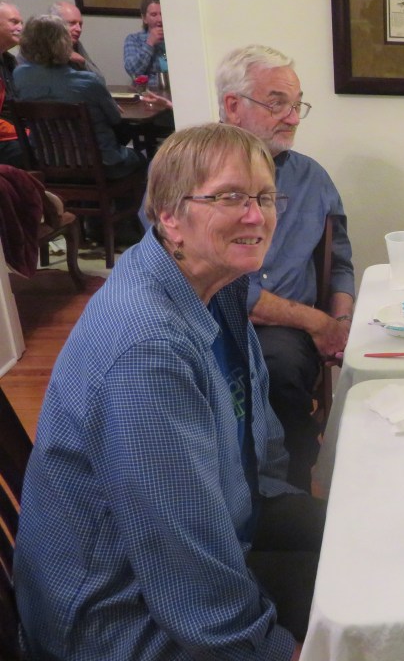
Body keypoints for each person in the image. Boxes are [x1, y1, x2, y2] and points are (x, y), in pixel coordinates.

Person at [15, 123, 324, 661]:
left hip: (218, 534)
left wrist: (291, 511)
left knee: (365, 546)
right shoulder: (148, 350)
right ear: (169, 216)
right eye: (230, 197)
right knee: (370, 612)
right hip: (118, 613)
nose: (257, 216)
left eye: (265, 197)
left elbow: (257, 447)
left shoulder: (217, 284)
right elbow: (182, 562)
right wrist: (277, 652)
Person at [217, 44, 355, 491]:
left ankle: (291, 487)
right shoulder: (193, 177)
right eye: (277, 104)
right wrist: (316, 321)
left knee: (279, 363)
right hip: (214, 320)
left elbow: (340, 263)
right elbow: (220, 287)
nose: (293, 118)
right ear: (232, 106)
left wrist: (340, 323)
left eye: (297, 105)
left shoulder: (312, 179)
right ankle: (245, 489)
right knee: (252, 366)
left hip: (288, 334)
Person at [14, 14, 142, 178]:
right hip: (100, 165)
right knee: (141, 159)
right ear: (64, 42)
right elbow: (115, 120)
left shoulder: (20, 76)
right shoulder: (88, 82)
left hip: (46, 163)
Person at [49, 0, 105, 82]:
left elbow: (100, 80)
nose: (79, 29)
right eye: (72, 23)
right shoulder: (40, 45)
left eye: (80, 24)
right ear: (54, 24)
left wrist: (81, 61)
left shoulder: (76, 44)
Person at [0, 0, 25, 167]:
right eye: (14, 22)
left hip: (16, 134)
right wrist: (26, 133)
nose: (20, 28)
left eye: (21, 23)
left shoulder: (10, 61)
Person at [123, 0, 165, 79]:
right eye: (154, 14)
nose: (160, 19)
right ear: (144, 18)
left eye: (162, 14)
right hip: (149, 87)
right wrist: (150, 43)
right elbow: (133, 71)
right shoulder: (134, 39)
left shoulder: (177, 39)